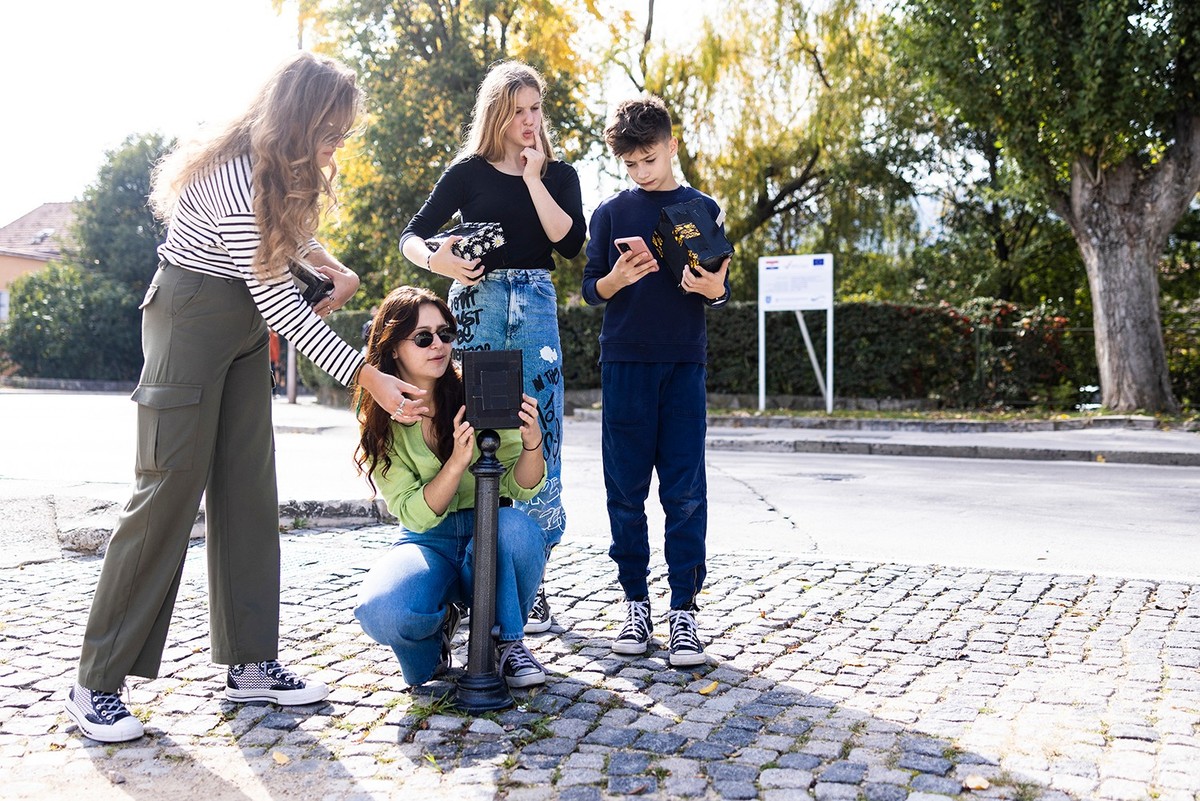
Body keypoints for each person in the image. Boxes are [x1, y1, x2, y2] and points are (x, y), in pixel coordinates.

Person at [65, 51, 428, 744]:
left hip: (238, 322)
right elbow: (283, 307)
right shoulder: (235, 175)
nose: (336, 148)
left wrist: (326, 263)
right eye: (331, 132)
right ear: (301, 119)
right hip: (192, 318)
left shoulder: (274, 166)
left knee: (248, 490)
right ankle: (95, 680)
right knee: (166, 493)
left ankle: (250, 664)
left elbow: (279, 246)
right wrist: (368, 374)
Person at [399, 61, 585, 635]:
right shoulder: (467, 173)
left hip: (535, 305)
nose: (530, 121)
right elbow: (411, 234)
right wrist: (438, 259)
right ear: (497, 114)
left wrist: (533, 178)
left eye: (536, 109)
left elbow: (571, 242)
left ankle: (532, 576)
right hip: (475, 308)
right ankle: (466, 571)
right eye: (519, 111)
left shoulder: (560, 174)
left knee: (539, 432)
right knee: (475, 426)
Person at [581, 94, 730, 667]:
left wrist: (707, 289)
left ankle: (684, 612)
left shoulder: (704, 206)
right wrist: (617, 278)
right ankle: (636, 604)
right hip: (623, 364)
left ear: (672, 144)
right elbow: (591, 289)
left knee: (686, 492)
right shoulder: (611, 213)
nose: (642, 172)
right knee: (625, 491)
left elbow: (721, 288)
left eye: (650, 159)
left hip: (684, 363)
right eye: (631, 164)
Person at [352, 286, 549, 688]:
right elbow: (415, 513)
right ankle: (436, 638)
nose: (439, 345)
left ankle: (505, 643)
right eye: (423, 338)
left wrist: (533, 444)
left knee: (517, 529)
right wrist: (457, 464)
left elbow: (522, 487)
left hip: (489, 530)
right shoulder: (379, 415)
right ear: (393, 349)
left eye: (446, 333)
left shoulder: (477, 387)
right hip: (427, 542)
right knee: (382, 610)